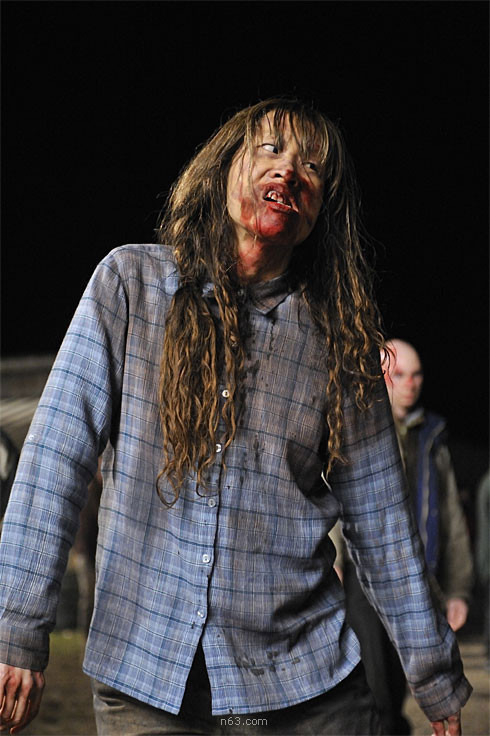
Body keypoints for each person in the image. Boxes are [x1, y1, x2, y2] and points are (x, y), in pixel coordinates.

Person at [0, 99, 471, 736]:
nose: (290, 171)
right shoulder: (130, 286)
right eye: (270, 149)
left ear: (320, 212)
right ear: (224, 168)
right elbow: (54, 461)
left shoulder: (339, 341)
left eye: (312, 168)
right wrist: (17, 628)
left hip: (303, 690)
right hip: (145, 682)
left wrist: (435, 677)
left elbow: (383, 521)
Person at [334, 338, 474, 733]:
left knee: (399, 684)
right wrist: (334, 560)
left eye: (416, 375)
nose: (409, 384)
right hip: (362, 574)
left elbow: (451, 515)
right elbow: (331, 494)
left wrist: (458, 589)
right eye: (399, 375)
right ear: (379, 376)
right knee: (373, 684)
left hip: (416, 574)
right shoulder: (353, 427)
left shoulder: (431, 438)